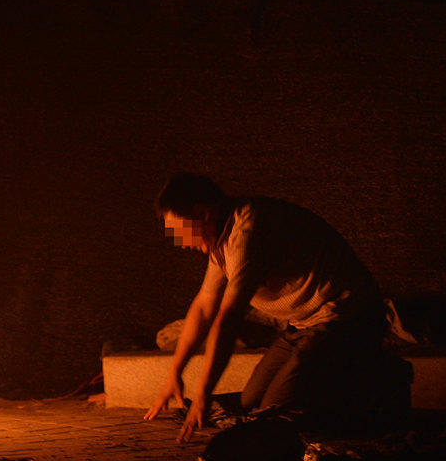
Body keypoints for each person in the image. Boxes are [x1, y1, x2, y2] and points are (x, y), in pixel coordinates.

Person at [144, 173, 388, 442]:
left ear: (202, 214)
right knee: (251, 403)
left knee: (274, 412)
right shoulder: (220, 235)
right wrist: (175, 372)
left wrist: (203, 393)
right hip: (302, 325)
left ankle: (373, 387)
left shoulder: (248, 232)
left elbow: (227, 319)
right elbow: (204, 306)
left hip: (346, 317)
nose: (180, 243)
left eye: (180, 231)